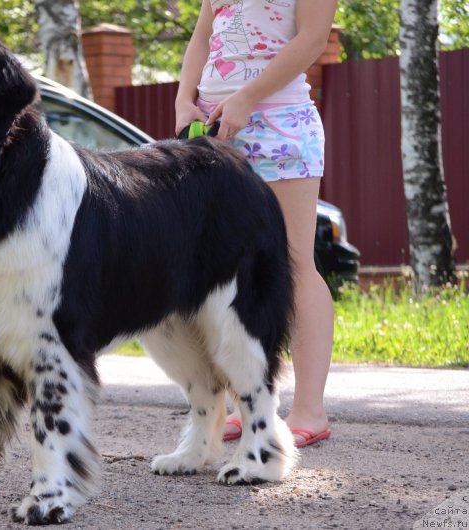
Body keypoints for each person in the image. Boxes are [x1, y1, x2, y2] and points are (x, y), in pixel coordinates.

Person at [175, 0, 337, 447]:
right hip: (214, 129)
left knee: (294, 265)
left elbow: (313, 38)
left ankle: (310, 410)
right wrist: (184, 98)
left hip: (278, 124)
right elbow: (203, 37)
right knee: (224, 275)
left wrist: (246, 97)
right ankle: (249, 406)